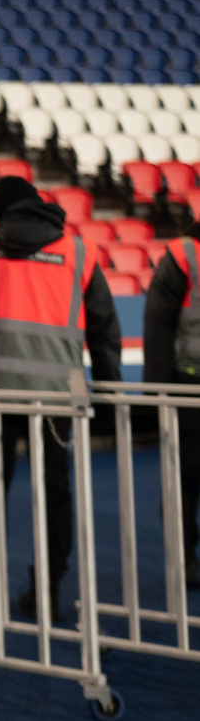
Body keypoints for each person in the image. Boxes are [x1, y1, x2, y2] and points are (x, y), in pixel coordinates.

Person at [0, 176, 122, 619]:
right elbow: (104, 329)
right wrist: (109, 396)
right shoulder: (79, 252)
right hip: (57, 399)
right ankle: (47, 590)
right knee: (55, 490)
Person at [134, 237, 200, 591]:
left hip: (189, 385)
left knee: (183, 479)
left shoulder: (184, 255)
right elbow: (158, 324)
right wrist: (158, 394)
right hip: (188, 388)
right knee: (184, 478)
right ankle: (183, 559)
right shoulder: (185, 255)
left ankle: (184, 559)